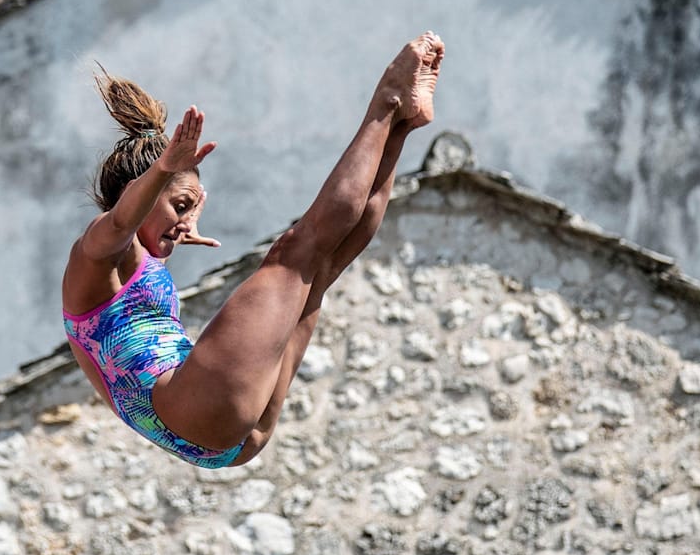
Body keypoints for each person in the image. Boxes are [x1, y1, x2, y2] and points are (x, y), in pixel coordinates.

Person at [62, 32, 445, 467]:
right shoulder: (91, 258)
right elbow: (120, 222)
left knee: (323, 265)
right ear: (140, 193)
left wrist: (175, 215)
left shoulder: (133, 262)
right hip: (196, 412)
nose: (187, 221)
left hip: (232, 440)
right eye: (180, 205)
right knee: (295, 250)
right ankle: (388, 100)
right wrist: (166, 167)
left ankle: (400, 126)